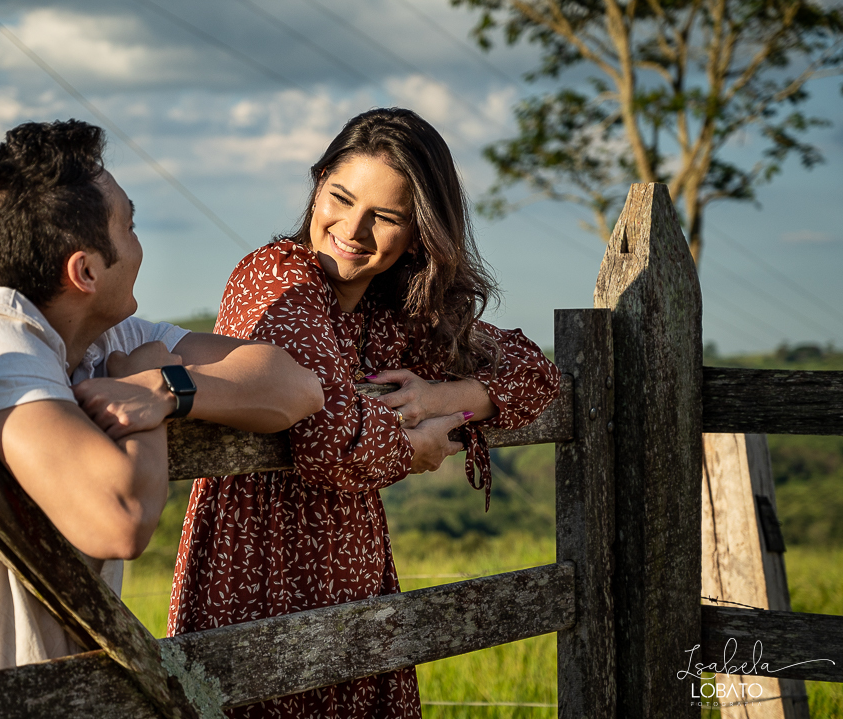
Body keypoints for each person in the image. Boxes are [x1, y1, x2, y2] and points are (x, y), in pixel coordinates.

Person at [0, 119, 324, 696]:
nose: (141, 246)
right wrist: (144, 385)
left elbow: (295, 385)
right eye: (131, 225)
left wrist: (163, 388)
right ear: (85, 271)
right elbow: (118, 519)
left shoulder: (100, 337)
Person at [168, 108, 562, 718]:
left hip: (352, 568)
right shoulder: (278, 277)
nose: (353, 229)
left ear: (418, 232)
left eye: (386, 216)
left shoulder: (391, 312)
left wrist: (437, 398)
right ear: (318, 183)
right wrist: (415, 446)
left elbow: (535, 374)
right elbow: (330, 440)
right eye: (341, 198)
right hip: (257, 566)